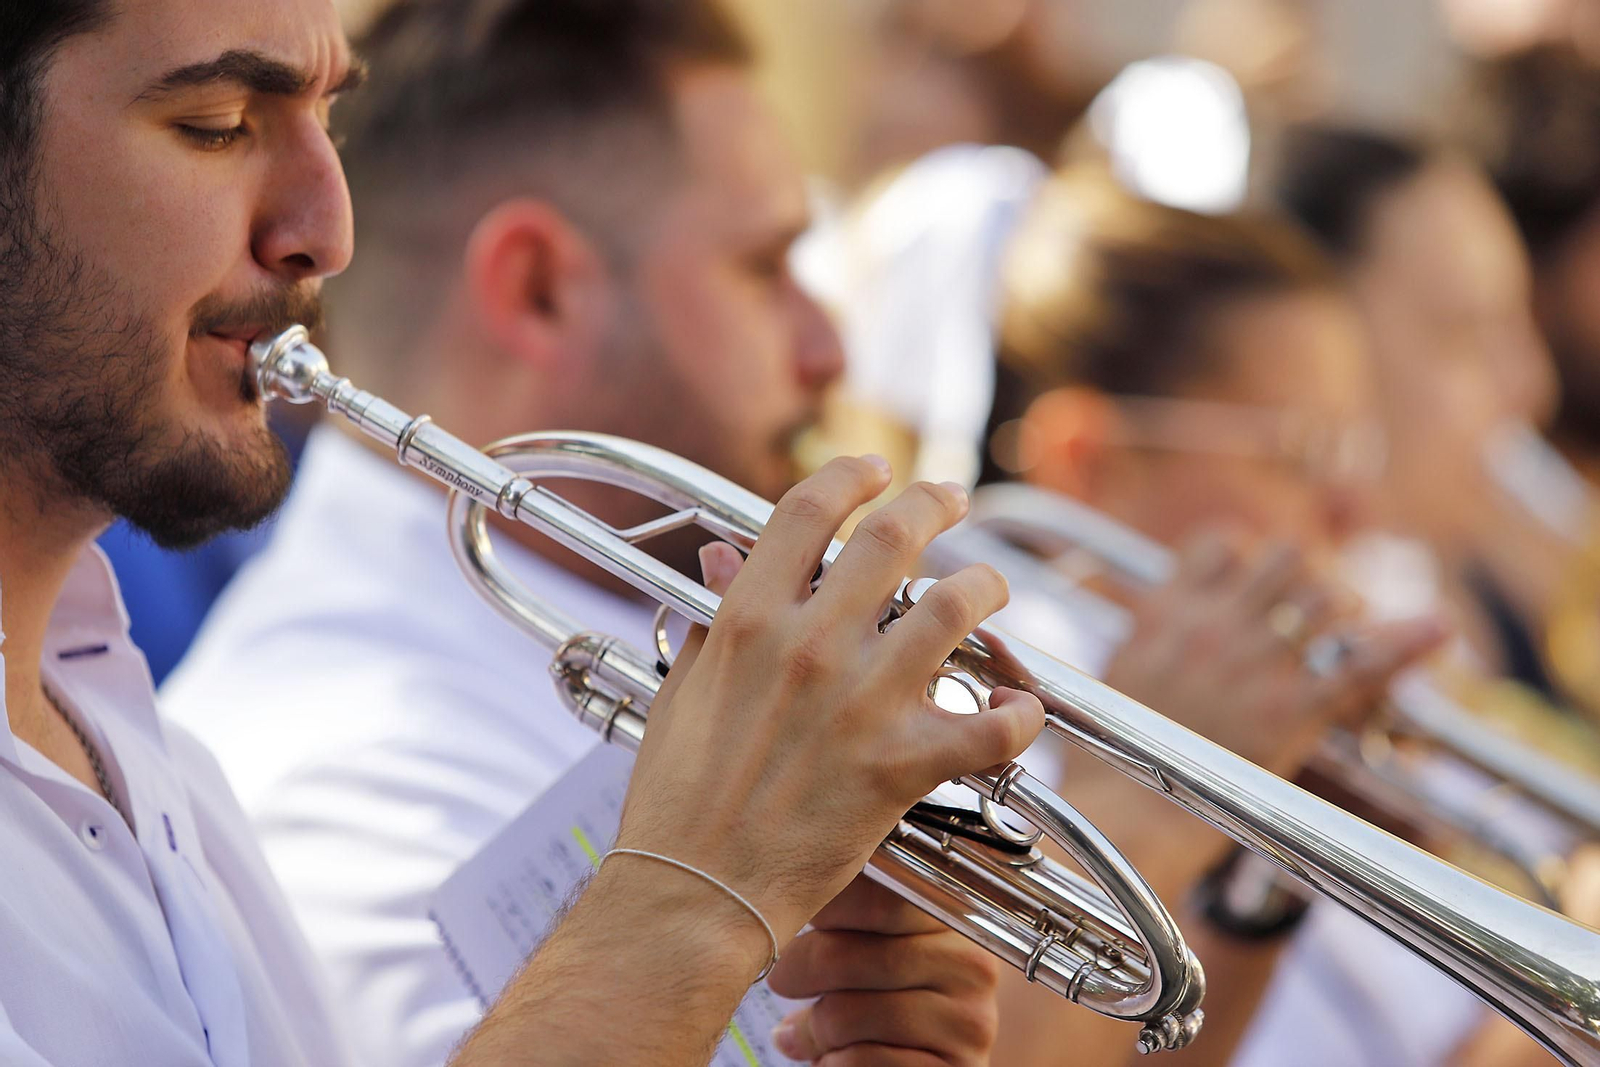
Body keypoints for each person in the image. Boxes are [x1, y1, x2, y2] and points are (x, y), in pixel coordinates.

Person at [0, 1, 1045, 1064]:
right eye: (218, 124)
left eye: (326, 124)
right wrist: (692, 897)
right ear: (537, 288)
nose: (329, 229)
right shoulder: (324, 756)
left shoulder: (146, 753)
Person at [992, 165, 1563, 1067]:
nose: (1352, 510)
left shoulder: (1292, 695)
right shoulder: (993, 732)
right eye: (1301, 452)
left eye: (1352, 448)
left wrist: (1276, 867)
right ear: (1088, 458)